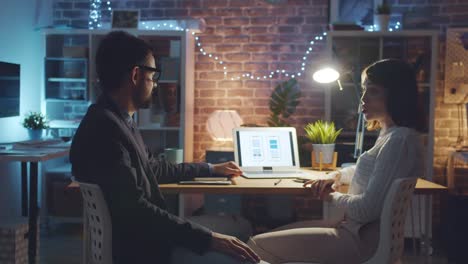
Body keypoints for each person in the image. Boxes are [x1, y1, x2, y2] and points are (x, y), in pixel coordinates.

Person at [70, 31, 261, 264]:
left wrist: (211, 168)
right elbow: (136, 211)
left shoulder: (114, 120)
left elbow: (154, 169)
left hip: (144, 239)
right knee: (241, 250)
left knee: (241, 226)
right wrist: (208, 239)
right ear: (136, 75)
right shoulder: (106, 131)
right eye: (153, 74)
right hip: (145, 251)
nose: (155, 83)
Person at [247, 59, 426, 264]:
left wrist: (330, 196)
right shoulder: (391, 134)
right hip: (352, 230)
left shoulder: (398, 141)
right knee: (270, 235)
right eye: (364, 90)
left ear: (396, 95)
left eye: (373, 91)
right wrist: (335, 176)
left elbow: (366, 209)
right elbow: (361, 169)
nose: (363, 99)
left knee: (253, 248)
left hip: (359, 242)